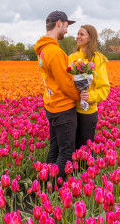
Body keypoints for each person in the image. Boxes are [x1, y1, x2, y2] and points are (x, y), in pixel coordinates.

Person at [34, 10, 89, 180]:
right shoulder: (55, 52)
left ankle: (43, 186)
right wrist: (80, 95)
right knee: (66, 153)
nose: (67, 30)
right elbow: (65, 84)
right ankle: (54, 189)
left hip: (51, 105)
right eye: (66, 26)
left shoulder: (42, 50)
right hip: (63, 107)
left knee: (55, 148)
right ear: (59, 23)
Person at [68, 24, 110, 150]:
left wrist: (89, 96)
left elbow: (104, 88)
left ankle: (86, 170)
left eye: (82, 34)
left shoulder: (97, 59)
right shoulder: (72, 57)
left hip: (88, 112)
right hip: (70, 110)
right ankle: (75, 170)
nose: (78, 37)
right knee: (72, 149)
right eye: (78, 34)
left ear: (90, 38)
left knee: (85, 150)